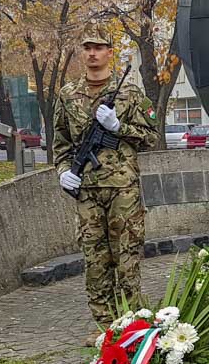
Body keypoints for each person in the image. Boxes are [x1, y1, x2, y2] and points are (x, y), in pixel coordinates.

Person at [53, 26, 158, 333]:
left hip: (122, 190)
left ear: (110, 53)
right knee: (95, 262)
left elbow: (151, 137)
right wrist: (62, 171)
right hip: (86, 191)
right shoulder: (68, 94)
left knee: (126, 261)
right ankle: (105, 329)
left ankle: (132, 327)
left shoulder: (130, 92)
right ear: (81, 52)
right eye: (87, 47)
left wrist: (118, 128)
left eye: (99, 47)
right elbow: (60, 143)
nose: (93, 53)